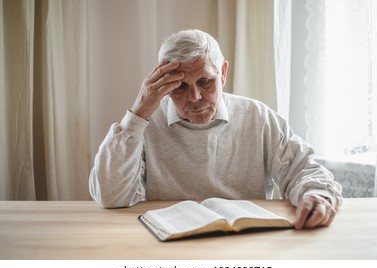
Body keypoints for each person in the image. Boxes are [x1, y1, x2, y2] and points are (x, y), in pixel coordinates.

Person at [89, 29, 343, 230]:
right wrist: (137, 113)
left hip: (245, 239)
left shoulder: (258, 117)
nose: (195, 97)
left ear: (222, 74)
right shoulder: (144, 122)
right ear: (162, 84)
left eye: (205, 81)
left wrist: (317, 195)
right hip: (167, 243)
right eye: (180, 87)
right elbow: (111, 197)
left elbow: (304, 170)